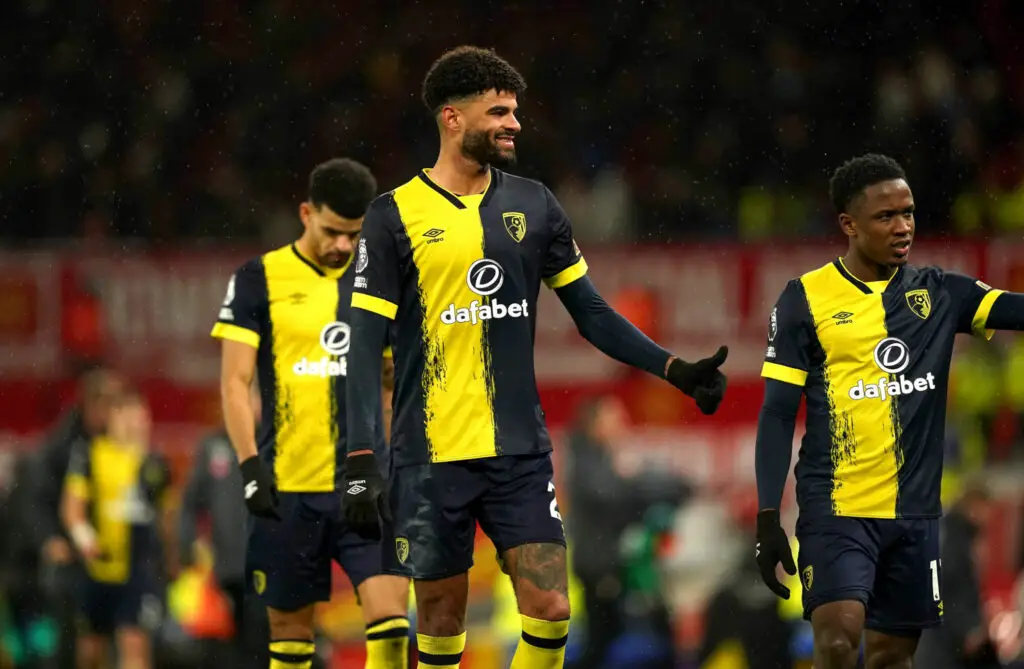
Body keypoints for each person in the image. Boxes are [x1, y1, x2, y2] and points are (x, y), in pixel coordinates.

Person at [341, 46, 729, 669]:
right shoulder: (392, 218)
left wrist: (672, 368)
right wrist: (362, 456)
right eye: (499, 112)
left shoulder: (535, 204)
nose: (515, 124)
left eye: (515, 111)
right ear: (452, 118)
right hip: (429, 454)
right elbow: (363, 346)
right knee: (439, 618)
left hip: (518, 451)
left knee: (550, 608)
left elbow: (591, 312)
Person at [752, 153, 1024, 669]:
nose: (903, 227)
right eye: (886, 216)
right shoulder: (804, 300)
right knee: (837, 640)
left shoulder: (940, 293)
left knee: (891, 659)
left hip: (915, 515)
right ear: (849, 224)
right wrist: (768, 516)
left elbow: (1016, 308)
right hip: (837, 509)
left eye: (909, 213)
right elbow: (778, 413)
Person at [211, 158, 411, 669]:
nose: (343, 245)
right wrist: (249, 466)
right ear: (306, 214)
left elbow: (395, 385)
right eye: (331, 231)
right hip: (289, 492)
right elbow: (235, 382)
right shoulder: (258, 279)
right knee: (290, 641)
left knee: (392, 627)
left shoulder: (380, 279)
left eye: (354, 234)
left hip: (364, 485)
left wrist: (399, 465)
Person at [61, 389, 171, 669]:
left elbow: (165, 514)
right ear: (112, 417)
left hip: (138, 570)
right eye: (128, 416)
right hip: (97, 569)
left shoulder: (153, 461)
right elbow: (72, 509)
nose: (135, 423)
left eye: (141, 417)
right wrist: (86, 540)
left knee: (134, 647)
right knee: (90, 652)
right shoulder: (90, 454)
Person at [177, 391, 269, 668]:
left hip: (268, 567)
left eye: (253, 398)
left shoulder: (275, 445)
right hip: (227, 570)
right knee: (230, 647)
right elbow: (190, 503)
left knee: (262, 641)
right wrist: (188, 545)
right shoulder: (214, 446)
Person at [915, 481, 999, 669]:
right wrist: (968, 629)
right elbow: (950, 587)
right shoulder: (956, 540)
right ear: (974, 505)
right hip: (945, 645)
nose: (988, 517)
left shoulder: (947, 532)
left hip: (936, 641)